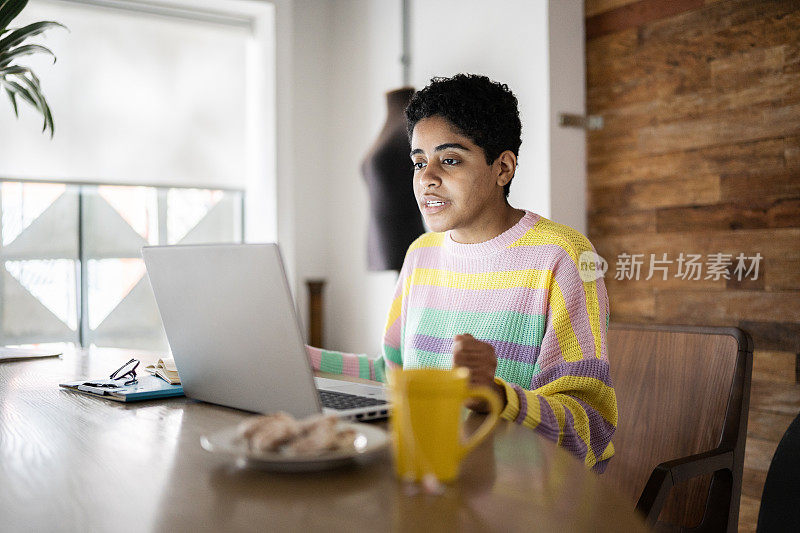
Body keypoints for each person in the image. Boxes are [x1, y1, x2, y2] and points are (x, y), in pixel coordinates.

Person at [307, 73, 616, 473]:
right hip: (434, 473)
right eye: (419, 161)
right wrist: (299, 359)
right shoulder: (421, 254)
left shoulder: (562, 257)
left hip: (525, 495)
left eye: (449, 160)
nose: (427, 178)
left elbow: (591, 428)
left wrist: (495, 394)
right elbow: (394, 373)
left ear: (502, 168)